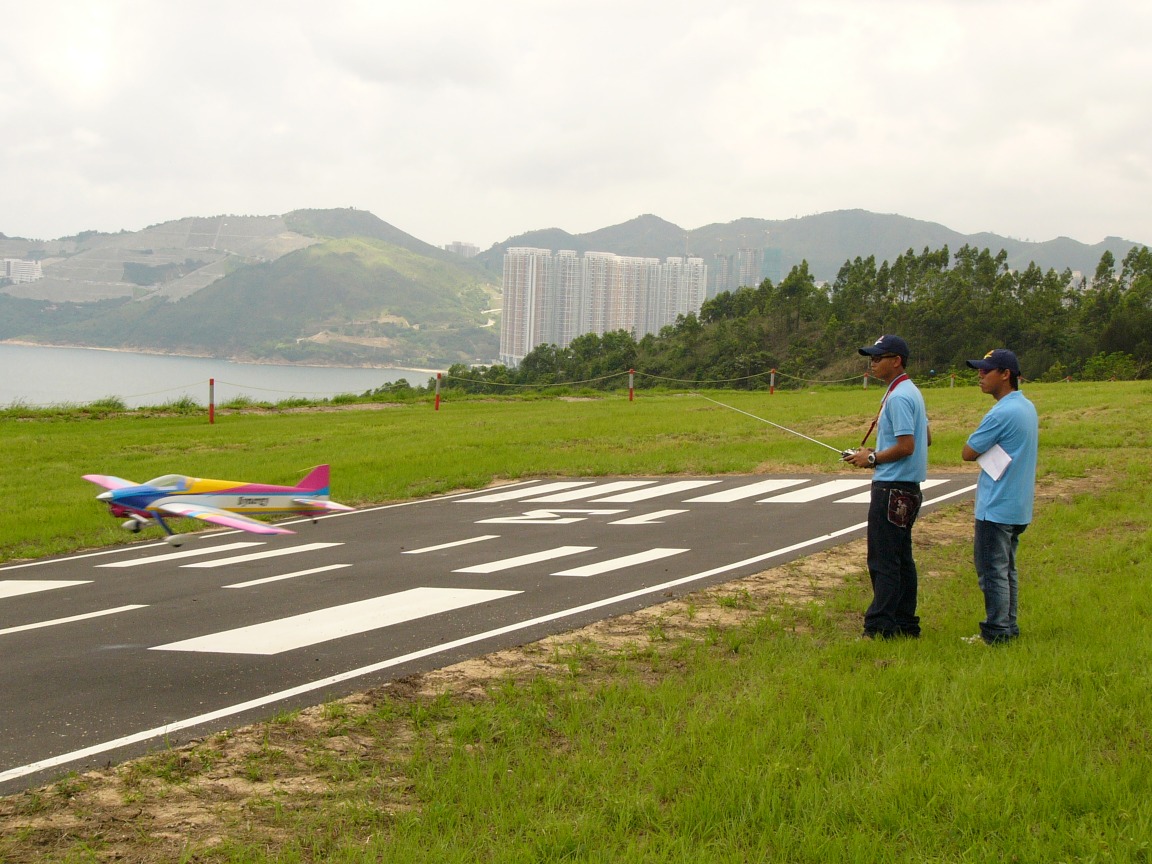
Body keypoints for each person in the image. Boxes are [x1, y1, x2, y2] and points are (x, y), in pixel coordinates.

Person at [845, 335, 931, 639]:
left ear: (897, 361)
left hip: (892, 488)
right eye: (872, 357)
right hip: (908, 487)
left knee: (883, 560)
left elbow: (907, 445)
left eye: (879, 358)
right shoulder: (911, 392)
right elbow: (926, 438)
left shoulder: (898, 397)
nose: (873, 363)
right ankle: (905, 622)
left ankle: (881, 625)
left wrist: (871, 457)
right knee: (901, 559)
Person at [961, 349, 1038, 644]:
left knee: (992, 572)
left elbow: (968, 452)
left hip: (995, 505)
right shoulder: (1026, 406)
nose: (980, 376)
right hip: (1018, 503)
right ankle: (1008, 626)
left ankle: (996, 632)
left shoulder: (1001, 411)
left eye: (986, 371)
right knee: (1007, 571)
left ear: (1005, 374)